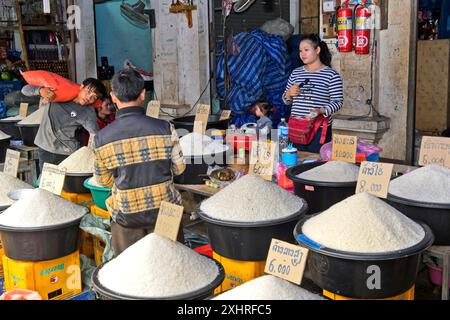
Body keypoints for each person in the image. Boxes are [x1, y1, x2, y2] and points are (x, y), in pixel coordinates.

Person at [93, 69, 186, 255]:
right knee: (171, 269)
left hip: (126, 216)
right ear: (143, 94)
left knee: (132, 276)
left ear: (113, 96)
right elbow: (179, 168)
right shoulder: (166, 128)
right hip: (165, 212)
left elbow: (103, 181)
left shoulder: (102, 138)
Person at [22, 78, 107, 171]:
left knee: (65, 183)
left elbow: (95, 134)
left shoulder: (88, 112)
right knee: (45, 181)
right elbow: (24, 90)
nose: (89, 97)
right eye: (88, 91)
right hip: (45, 147)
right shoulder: (58, 92)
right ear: (82, 86)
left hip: (66, 152)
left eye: (94, 97)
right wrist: (40, 90)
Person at [283, 34, 344, 153]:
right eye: (300, 51)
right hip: (296, 128)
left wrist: (321, 110)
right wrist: (288, 94)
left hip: (319, 129)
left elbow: (338, 102)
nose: (302, 54)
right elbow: (285, 99)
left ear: (317, 50)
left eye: (306, 50)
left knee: (316, 165)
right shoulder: (296, 73)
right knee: (295, 161)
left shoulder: (331, 75)